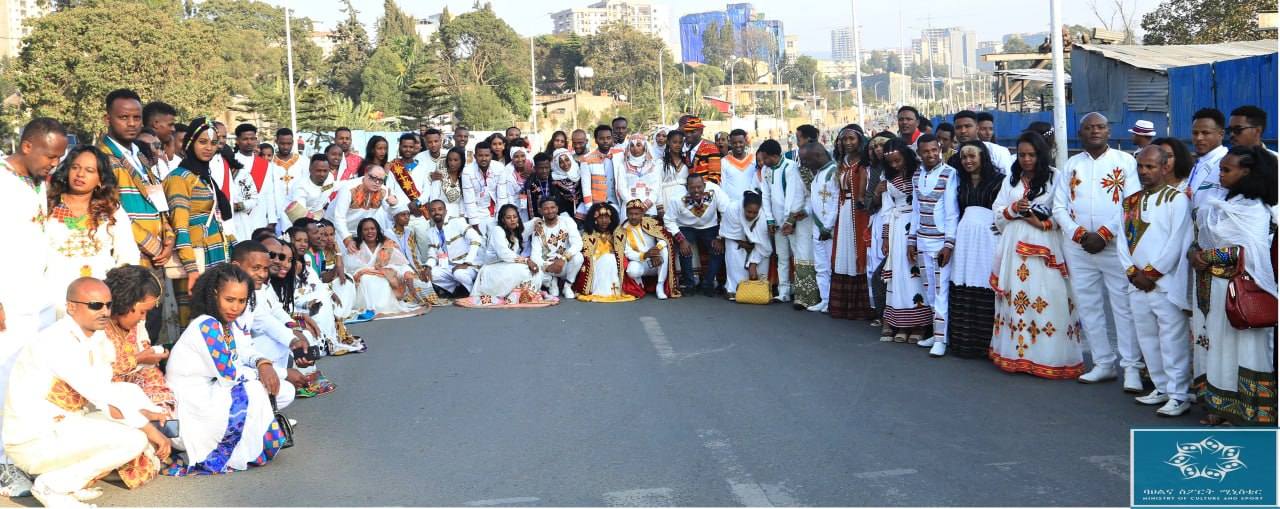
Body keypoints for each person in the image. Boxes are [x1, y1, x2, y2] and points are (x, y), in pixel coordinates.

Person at [4, 278, 168, 506]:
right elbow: (103, 398)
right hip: (33, 440)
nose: (104, 312)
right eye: (95, 305)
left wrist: (147, 413)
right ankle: (53, 486)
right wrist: (152, 431)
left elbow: (111, 389)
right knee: (135, 439)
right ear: (71, 307)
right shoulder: (57, 341)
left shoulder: (97, 338)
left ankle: (70, 483)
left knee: (132, 419)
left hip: (62, 427)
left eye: (108, 305)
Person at [164, 264, 288, 476]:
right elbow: (230, 376)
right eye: (229, 300)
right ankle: (245, 448)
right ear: (214, 295)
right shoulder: (207, 325)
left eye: (242, 301)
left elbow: (236, 363)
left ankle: (253, 442)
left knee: (266, 388)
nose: (236, 308)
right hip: (186, 413)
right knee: (253, 389)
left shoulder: (222, 324)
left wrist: (263, 366)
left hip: (201, 401)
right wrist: (261, 373)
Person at [0, 118, 68, 497]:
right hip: (8, 301)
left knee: (31, 381)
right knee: (5, 381)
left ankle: (24, 455)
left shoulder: (36, 181)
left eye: (59, 158)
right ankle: (2, 465)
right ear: (26, 146)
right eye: (49, 156)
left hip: (38, 298)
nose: (53, 164)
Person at [1188, 145, 1277, 426]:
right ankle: (1219, 407)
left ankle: (1248, 411)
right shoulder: (1219, 202)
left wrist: (1206, 256)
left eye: (1227, 170)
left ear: (1246, 172)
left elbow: (1249, 252)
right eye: (1220, 169)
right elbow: (1200, 238)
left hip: (1242, 292)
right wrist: (1194, 252)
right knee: (1217, 347)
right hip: (1212, 288)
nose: (1221, 174)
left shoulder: (1255, 209)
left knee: (1244, 349)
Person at [1053, 112, 1143, 388]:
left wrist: (1104, 234)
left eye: (1100, 127)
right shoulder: (1071, 164)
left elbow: (1131, 203)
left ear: (1109, 131)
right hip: (1079, 247)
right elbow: (1059, 207)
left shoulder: (1125, 162)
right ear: (1080, 133)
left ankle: (1131, 368)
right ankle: (1103, 363)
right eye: (1089, 127)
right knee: (1088, 305)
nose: (1095, 131)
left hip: (1114, 245)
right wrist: (1080, 234)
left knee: (1123, 306)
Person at [989, 132, 1084, 379]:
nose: (1026, 159)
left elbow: (1065, 211)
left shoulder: (1056, 177)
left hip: (1045, 245)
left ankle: (1048, 358)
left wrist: (1041, 222)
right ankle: (1017, 356)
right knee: (1016, 297)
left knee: (1048, 296)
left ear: (1041, 154)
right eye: (1022, 155)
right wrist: (1013, 209)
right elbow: (997, 210)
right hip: (1013, 245)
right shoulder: (1011, 179)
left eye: (1031, 155)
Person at [1118, 146, 1195, 416]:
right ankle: (1161, 387)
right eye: (1140, 166)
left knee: (1172, 340)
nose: (1144, 171)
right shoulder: (1130, 201)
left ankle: (1179, 394)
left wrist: (1151, 274)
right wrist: (1132, 272)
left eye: (1150, 166)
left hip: (1166, 284)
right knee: (1147, 338)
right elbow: (1121, 240)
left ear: (1165, 167)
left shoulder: (1177, 199)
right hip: (1136, 284)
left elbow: (1178, 242)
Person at [43, 145, 140, 316]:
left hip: (99, 299)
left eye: (89, 170)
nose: (80, 174)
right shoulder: (47, 205)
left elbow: (127, 254)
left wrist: (119, 295)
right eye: (75, 167)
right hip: (54, 297)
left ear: (101, 179)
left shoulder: (111, 211)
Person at [100, 92, 173, 284]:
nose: (131, 123)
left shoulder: (140, 155)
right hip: (127, 257)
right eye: (124, 117)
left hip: (156, 257)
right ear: (107, 119)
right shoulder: (101, 157)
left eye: (137, 118)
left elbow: (157, 200)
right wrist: (153, 246)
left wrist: (169, 235)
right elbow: (110, 210)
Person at [166, 117, 233, 324]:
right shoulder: (179, 178)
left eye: (213, 143)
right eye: (202, 142)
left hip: (214, 255)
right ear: (189, 143)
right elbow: (180, 226)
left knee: (214, 317)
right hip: (196, 260)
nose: (208, 148)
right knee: (194, 320)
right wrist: (191, 269)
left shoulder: (203, 176)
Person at [946, 141, 1003, 359]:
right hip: (965, 238)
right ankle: (964, 343)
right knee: (963, 282)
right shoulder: (959, 181)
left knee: (986, 282)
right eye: (963, 157)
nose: (967, 161)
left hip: (989, 238)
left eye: (972, 156)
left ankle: (987, 345)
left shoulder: (1000, 181)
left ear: (983, 157)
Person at [104, 265, 177, 416]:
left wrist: (150, 357)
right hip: (107, 397)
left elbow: (147, 367)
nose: (144, 318)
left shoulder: (137, 326)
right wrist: (138, 359)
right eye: (142, 312)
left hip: (137, 387)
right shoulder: (97, 327)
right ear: (125, 303)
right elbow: (95, 373)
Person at [879, 138, 931, 343]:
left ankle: (920, 325)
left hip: (918, 225)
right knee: (900, 274)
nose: (894, 165)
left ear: (906, 156)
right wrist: (885, 237)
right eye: (890, 162)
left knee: (916, 273)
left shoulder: (920, 173)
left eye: (898, 160)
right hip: (897, 228)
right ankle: (901, 323)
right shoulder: (887, 178)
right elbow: (887, 209)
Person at [828, 126, 875, 320]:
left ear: (860, 140)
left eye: (852, 139)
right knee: (844, 252)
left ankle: (861, 307)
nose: (848, 142)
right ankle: (843, 306)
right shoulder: (842, 163)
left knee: (859, 252)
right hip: (844, 211)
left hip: (859, 213)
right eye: (844, 139)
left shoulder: (864, 163)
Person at [345, 217, 424, 319]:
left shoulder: (387, 246)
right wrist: (370, 271)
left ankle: (384, 308)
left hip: (384, 275)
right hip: (364, 277)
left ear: (377, 230)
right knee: (366, 279)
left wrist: (386, 270)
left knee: (383, 280)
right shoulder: (355, 246)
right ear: (361, 232)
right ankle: (369, 309)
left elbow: (401, 264)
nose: (370, 232)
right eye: (366, 229)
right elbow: (351, 267)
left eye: (372, 228)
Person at [666, 174, 729, 296]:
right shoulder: (677, 198)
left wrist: (720, 237)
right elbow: (668, 220)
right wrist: (681, 240)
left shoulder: (714, 190)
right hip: (686, 227)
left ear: (704, 185)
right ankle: (689, 285)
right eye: (692, 188)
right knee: (685, 251)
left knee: (718, 250)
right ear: (686, 187)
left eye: (699, 187)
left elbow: (726, 212)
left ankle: (708, 284)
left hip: (710, 226)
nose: (696, 191)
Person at [471, 204, 548, 304]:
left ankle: (521, 295)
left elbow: (532, 224)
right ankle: (512, 297)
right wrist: (527, 260)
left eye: (515, 217)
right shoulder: (497, 231)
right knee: (525, 270)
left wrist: (538, 221)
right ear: (503, 220)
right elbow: (504, 254)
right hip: (492, 271)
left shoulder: (516, 231)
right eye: (508, 217)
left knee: (536, 272)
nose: (512, 220)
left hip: (506, 268)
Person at [759, 139, 804, 302]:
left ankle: (801, 292)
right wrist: (770, 219)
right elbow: (766, 195)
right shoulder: (766, 169)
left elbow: (793, 195)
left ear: (775, 155)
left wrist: (789, 221)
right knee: (782, 257)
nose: (763, 162)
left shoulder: (790, 167)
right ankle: (784, 291)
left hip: (791, 221)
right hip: (777, 223)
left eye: (765, 158)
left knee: (798, 256)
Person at [573, 203, 636, 303]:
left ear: (611, 219)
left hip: (614, 266)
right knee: (608, 258)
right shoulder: (588, 235)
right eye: (600, 218)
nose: (604, 221)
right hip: (594, 268)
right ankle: (602, 291)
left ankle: (616, 291)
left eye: (607, 217)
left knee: (611, 259)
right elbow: (587, 257)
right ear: (595, 219)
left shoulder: (615, 234)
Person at [420, 200, 482, 296]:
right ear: (429, 213)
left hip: (468, 265)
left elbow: (476, 239)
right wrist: (428, 267)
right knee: (431, 273)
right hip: (448, 266)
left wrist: (467, 262)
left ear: (445, 211)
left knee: (459, 274)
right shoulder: (431, 232)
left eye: (440, 209)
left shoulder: (457, 221)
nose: (436, 212)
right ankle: (455, 289)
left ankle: (472, 292)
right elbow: (433, 256)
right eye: (433, 210)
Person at [619, 199, 679, 299]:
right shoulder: (621, 230)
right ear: (626, 214)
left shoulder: (651, 223)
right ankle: (639, 284)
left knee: (664, 251)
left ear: (642, 214)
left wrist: (656, 250)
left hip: (656, 261)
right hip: (639, 261)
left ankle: (660, 285)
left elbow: (665, 239)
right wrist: (645, 255)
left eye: (637, 214)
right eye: (631, 214)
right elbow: (627, 252)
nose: (633, 217)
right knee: (632, 270)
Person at [331, 165, 399, 253]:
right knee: (341, 256)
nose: (377, 183)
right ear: (365, 174)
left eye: (381, 180)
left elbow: (390, 212)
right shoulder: (349, 188)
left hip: (359, 231)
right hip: (337, 230)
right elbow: (339, 218)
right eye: (373, 178)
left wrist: (393, 205)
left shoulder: (383, 190)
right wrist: (347, 239)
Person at [719, 190, 773, 300]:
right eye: (748, 212)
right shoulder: (733, 209)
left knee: (762, 260)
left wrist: (753, 263)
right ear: (743, 207)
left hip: (757, 245)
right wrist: (742, 243)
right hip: (735, 239)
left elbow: (764, 244)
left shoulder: (763, 216)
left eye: (755, 213)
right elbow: (730, 232)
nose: (751, 215)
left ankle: (760, 291)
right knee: (734, 252)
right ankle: (733, 289)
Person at [789, 143, 823, 310]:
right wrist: (793, 217)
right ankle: (804, 297)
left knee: (822, 259)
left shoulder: (827, 171)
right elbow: (798, 197)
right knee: (803, 255)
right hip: (804, 219)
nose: (805, 163)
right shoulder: (799, 172)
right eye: (802, 160)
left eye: (807, 159)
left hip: (824, 219)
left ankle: (823, 296)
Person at [530, 198, 584, 298]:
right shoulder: (538, 228)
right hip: (548, 267)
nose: (550, 211)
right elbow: (535, 255)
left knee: (578, 257)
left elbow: (578, 243)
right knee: (531, 268)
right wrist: (547, 266)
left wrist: (563, 258)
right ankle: (551, 281)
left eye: (552, 207)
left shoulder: (567, 221)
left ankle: (567, 286)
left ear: (557, 208)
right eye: (546, 208)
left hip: (564, 264)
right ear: (540, 211)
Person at [807, 147, 839, 312]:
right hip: (817, 227)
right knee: (820, 266)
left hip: (828, 229)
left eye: (808, 160)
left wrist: (827, 226)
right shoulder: (818, 173)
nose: (806, 164)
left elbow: (835, 201)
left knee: (830, 265)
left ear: (818, 156)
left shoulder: (833, 172)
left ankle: (832, 300)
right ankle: (824, 299)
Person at [231, 123, 278, 233]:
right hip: (237, 215)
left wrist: (272, 220)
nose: (249, 142)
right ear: (237, 140)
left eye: (252, 139)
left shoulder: (264, 164)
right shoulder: (230, 161)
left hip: (259, 216)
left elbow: (269, 192)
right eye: (245, 139)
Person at [461, 142, 513, 229]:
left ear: (491, 155)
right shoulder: (467, 171)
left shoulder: (499, 167)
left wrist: (501, 218)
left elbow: (502, 197)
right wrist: (474, 223)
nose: (484, 159)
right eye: (480, 155)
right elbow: (469, 200)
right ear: (475, 156)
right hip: (477, 211)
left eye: (487, 155)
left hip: (496, 210)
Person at [1187, 108, 1229, 210]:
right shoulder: (1199, 162)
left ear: (1221, 134)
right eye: (1195, 133)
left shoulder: (1228, 163)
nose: (1199, 138)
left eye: (1205, 133)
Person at [614, 134, 663, 216]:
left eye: (639, 145)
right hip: (629, 208)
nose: (635, 148)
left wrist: (646, 205)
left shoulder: (654, 165)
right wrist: (634, 206)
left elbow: (656, 188)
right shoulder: (623, 166)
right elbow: (621, 188)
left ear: (645, 147)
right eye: (632, 145)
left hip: (649, 207)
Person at [270, 128, 305, 231]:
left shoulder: (303, 161)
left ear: (293, 143)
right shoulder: (269, 163)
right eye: (282, 143)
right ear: (276, 142)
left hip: (298, 211)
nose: (285, 147)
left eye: (289, 143)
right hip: (276, 210)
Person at [579, 125, 618, 215]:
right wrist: (590, 210)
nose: (605, 141)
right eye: (601, 138)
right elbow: (586, 188)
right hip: (596, 205)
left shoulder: (619, 155)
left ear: (612, 138)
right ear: (596, 140)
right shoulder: (586, 159)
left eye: (608, 138)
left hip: (616, 203)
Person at [287, 154, 335, 223]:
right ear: (310, 169)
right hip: (296, 221)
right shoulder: (301, 187)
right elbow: (301, 215)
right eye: (318, 170)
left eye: (325, 171)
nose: (322, 174)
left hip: (317, 217)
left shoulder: (330, 178)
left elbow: (327, 188)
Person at [720, 129, 760, 208]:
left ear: (745, 141)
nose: (738, 145)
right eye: (734, 143)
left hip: (751, 206)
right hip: (731, 206)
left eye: (740, 142)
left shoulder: (754, 160)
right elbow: (722, 186)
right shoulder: (724, 161)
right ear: (730, 143)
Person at [428, 146, 467, 219]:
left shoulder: (464, 177)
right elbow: (433, 198)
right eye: (450, 160)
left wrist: (462, 218)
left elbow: (462, 202)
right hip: (440, 216)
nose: (452, 163)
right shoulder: (440, 175)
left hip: (458, 217)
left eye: (456, 160)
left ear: (462, 161)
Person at [142, 101, 180, 177]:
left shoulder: (165, 151)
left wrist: (170, 157)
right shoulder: (141, 150)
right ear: (156, 123)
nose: (173, 129)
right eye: (170, 125)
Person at [681, 116, 722, 184]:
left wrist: (703, 189)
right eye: (687, 131)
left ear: (701, 131)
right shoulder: (686, 149)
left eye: (692, 131)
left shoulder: (711, 148)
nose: (688, 135)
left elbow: (715, 177)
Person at [659, 130, 689, 204]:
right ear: (668, 142)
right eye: (674, 142)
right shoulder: (661, 162)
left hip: (684, 197)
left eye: (680, 142)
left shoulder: (687, 161)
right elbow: (657, 184)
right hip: (667, 197)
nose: (678, 145)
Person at [550, 148, 582, 216]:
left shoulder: (579, 171)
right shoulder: (554, 178)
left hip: (582, 210)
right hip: (564, 213)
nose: (565, 164)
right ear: (557, 164)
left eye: (567, 160)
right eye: (561, 162)